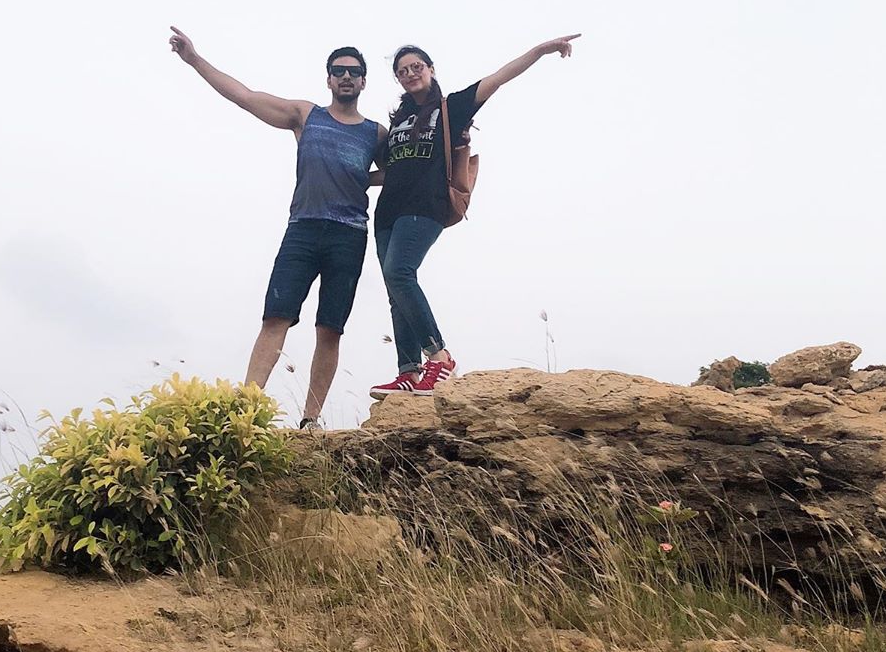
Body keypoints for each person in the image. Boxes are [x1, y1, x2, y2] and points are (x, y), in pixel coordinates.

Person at [169, 28, 386, 427]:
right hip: (302, 229)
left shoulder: (375, 133)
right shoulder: (306, 116)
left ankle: (311, 420)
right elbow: (246, 97)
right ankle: (245, 411)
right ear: (329, 79)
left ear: (364, 81)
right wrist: (195, 60)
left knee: (330, 329)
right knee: (275, 318)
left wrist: (362, 177)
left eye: (354, 71)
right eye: (338, 70)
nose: (346, 77)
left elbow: (398, 171)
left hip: (349, 235)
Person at [369, 36, 580, 398]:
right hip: (388, 211)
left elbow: (498, 78)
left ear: (431, 70)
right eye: (402, 71)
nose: (410, 74)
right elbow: (392, 171)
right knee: (394, 288)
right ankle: (408, 371)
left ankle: (440, 357)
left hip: (426, 207)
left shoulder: (453, 108)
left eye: (416, 67)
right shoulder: (399, 120)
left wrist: (540, 51)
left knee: (399, 273)